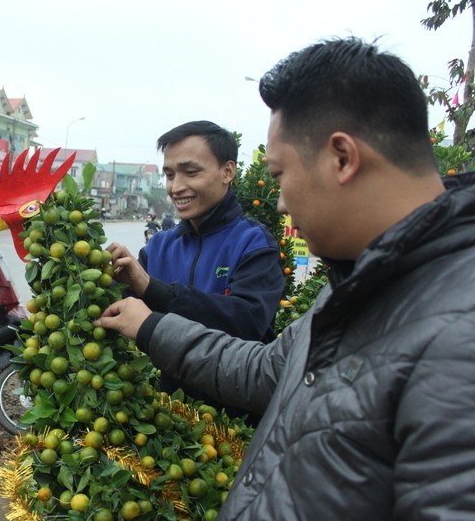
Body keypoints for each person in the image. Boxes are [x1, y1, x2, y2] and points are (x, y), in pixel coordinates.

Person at [95, 37, 475, 519]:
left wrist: (155, 301)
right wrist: (148, 326)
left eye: (278, 176)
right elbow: (263, 370)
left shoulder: (459, 335)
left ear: (342, 158)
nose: (279, 203)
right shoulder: (357, 288)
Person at [108, 120, 283, 420]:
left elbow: (247, 321)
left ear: (227, 172)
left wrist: (155, 290)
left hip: (234, 425)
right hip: (165, 423)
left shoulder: (253, 242)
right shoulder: (160, 246)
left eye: (191, 172)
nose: (176, 187)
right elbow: (116, 312)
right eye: (170, 175)